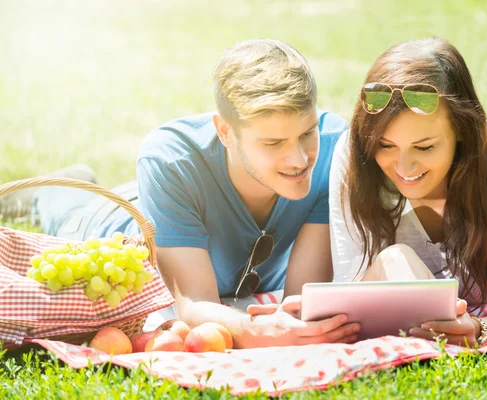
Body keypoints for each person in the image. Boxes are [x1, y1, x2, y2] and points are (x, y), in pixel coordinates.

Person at [14, 39, 360, 348]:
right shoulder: (167, 158)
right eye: (273, 142)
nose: (300, 159)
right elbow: (194, 304)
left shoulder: (332, 145)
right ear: (225, 131)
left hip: (194, 215)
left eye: (307, 132)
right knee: (67, 207)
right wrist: (254, 329)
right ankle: (58, 186)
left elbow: (303, 298)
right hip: (112, 221)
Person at [252, 37, 487, 347]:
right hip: (396, 303)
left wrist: (478, 331)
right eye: (385, 145)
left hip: (445, 320)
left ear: (462, 131)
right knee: (395, 259)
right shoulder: (356, 156)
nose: (404, 167)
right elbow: (353, 285)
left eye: (424, 147)